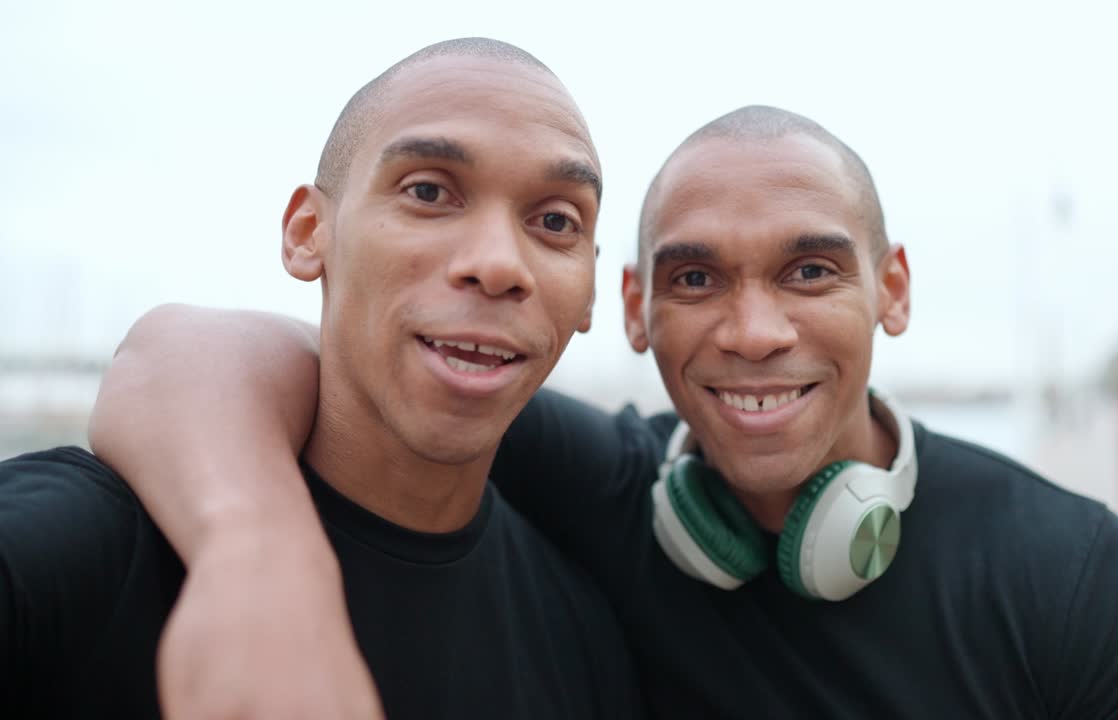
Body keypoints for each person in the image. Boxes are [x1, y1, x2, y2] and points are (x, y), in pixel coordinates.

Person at [92, 106, 1118, 718]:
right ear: (631, 309)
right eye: (696, 279)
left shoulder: (1072, 575)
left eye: (809, 271)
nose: (753, 331)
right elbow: (202, 352)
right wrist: (258, 561)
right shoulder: (609, 493)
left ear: (891, 290)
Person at [0, 38, 642, 719]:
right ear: (308, 232)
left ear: (589, 293)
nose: (498, 264)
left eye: (555, 221)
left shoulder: (581, 634)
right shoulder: (82, 550)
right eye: (428, 192)